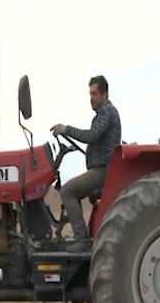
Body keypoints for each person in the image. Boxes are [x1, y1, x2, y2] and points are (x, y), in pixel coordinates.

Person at [50, 75, 121, 252]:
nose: (91, 98)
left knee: (68, 190)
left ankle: (82, 239)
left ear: (105, 94)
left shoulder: (107, 112)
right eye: (90, 94)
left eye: (95, 94)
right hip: (101, 168)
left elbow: (91, 135)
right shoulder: (103, 114)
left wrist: (66, 129)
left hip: (103, 171)